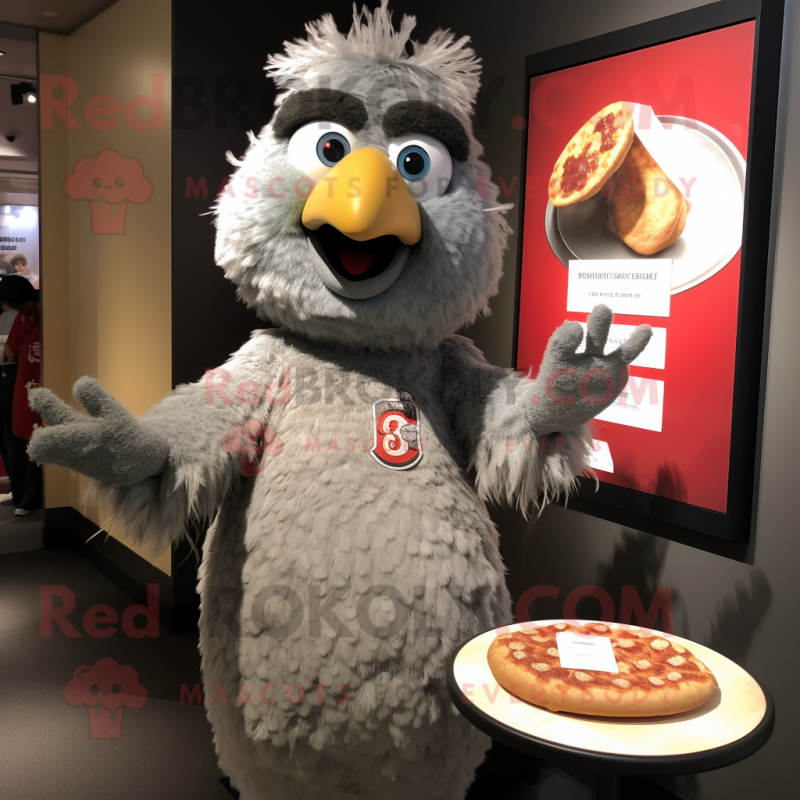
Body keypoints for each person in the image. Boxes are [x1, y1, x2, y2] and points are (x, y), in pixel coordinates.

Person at [0, 275, 42, 515]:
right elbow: (9, 351)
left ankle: (32, 498)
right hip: (22, 383)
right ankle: (21, 494)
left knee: (36, 440)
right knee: (18, 437)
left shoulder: (43, 315)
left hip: (40, 384)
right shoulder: (22, 319)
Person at [0, 305, 19, 504]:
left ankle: (20, 489)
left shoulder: (13, 317)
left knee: (10, 436)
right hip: (9, 380)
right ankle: (18, 488)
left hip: (9, 379)